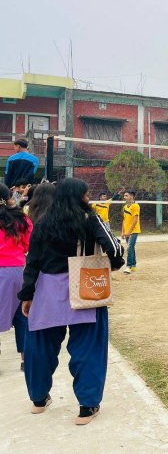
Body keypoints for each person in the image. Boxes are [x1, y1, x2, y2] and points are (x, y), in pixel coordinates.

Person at [19, 178, 124, 425]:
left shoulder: (43, 222)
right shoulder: (91, 219)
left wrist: (27, 294)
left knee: (40, 347)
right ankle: (87, 407)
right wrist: (113, 265)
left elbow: (32, 261)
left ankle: (38, 399)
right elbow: (115, 249)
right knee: (88, 348)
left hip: (47, 290)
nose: (89, 199)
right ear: (79, 196)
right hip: (86, 286)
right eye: (86, 195)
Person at [0, 183, 33, 372]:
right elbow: (28, 245)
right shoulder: (22, 219)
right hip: (16, 272)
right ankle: (25, 359)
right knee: (21, 315)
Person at [121, 191, 140, 274]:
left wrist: (129, 231)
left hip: (134, 231)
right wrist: (123, 231)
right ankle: (133, 265)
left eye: (126, 195)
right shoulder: (125, 207)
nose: (124, 197)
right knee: (131, 248)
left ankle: (128, 266)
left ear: (132, 196)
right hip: (127, 231)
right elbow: (124, 220)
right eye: (124, 195)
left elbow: (135, 220)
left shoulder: (135, 206)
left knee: (129, 248)